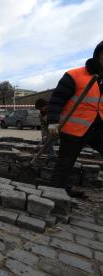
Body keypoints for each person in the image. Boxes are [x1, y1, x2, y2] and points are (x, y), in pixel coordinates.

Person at [47, 41, 103, 192]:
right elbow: (56, 100)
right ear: (98, 55)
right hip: (74, 130)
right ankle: (56, 193)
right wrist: (52, 122)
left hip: (98, 128)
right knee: (64, 164)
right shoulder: (75, 75)